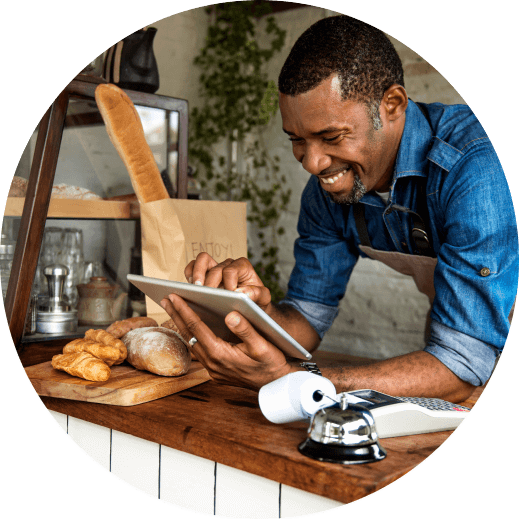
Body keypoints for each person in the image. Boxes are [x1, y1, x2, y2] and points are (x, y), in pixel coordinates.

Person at [160, 15, 517, 403]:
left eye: (331, 136)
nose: (312, 164)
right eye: (297, 139)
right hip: (463, 350)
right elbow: (306, 322)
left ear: (392, 105)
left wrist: (298, 379)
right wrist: (251, 311)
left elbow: (464, 362)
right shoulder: (329, 192)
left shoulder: (474, 167)